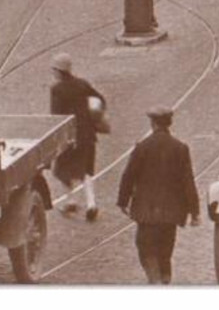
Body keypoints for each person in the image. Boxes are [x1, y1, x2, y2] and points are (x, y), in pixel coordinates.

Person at [116, 106, 199, 284]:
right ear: (169, 123)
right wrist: (195, 212)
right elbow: (188, 182)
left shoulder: (142, 147)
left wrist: (123, 201)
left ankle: (155, 282)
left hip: (147, 212)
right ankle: (165, 279)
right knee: (165, 251)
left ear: (152, 124)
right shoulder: (181, 148)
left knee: (146, 249)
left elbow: (128, 175)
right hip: (171, 213)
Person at [48, 53, 104, 221]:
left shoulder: (57, 89)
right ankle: (91, 204)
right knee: (87, 170)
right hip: (87, 135)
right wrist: (93, 116)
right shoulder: (82, 84)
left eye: (54, 69)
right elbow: (99, 99)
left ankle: (70, 201)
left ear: (59, 71)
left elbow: (56, 116)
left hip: (69, 137)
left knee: (63, 169)